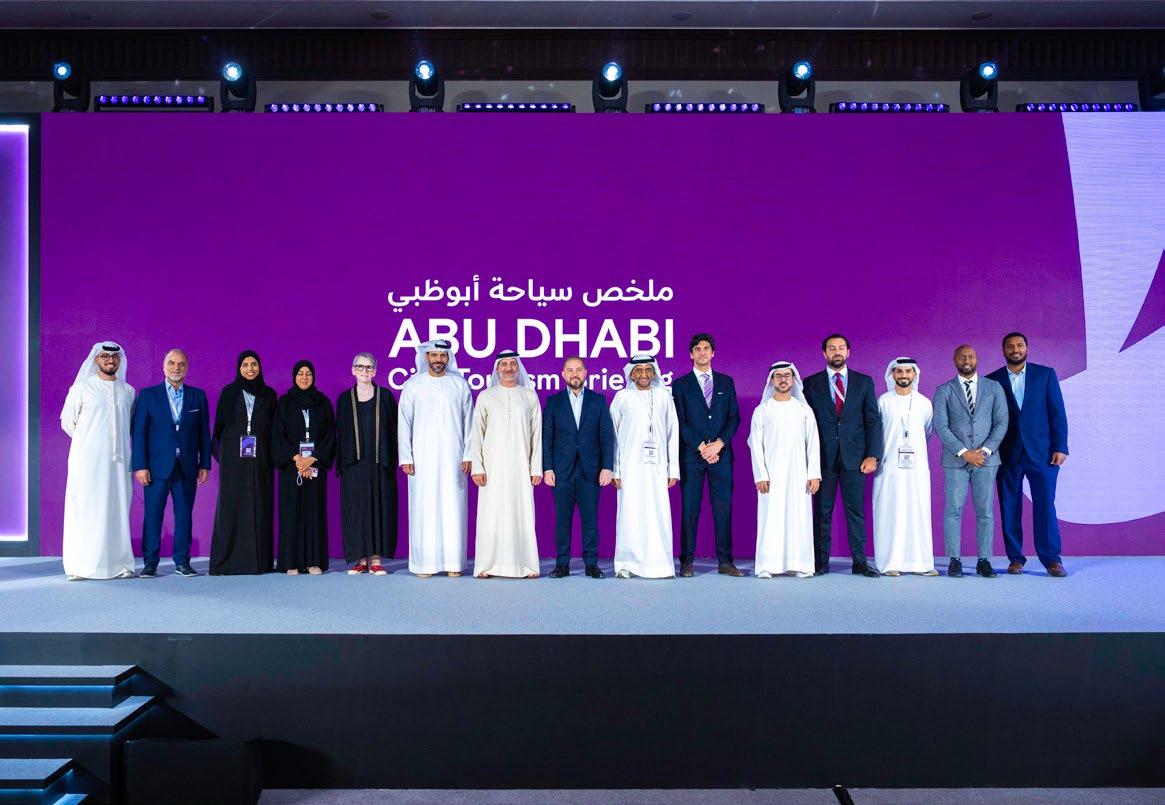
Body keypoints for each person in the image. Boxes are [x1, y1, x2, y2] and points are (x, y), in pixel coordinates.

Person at [987, 332, 1070, 577]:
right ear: (1003, 350)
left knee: (1045, 505)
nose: (1015, 349)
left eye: (1020, 345)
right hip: (1006, 454)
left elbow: (1057, 413)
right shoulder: (992, 380)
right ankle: (1015, 559)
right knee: (1009, 506)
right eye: (1010, 346)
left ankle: (1052, 559)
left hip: (1043, 453)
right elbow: (988, 419)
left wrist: (1061, 446)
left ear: (1027, 348)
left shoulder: (1045, 375)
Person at [802, 334, 884, 577]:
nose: (836, 352)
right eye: (831, 348)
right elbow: (805, 423)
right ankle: (820, 563)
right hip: (822, 459)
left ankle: (860, 562)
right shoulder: (810, 383)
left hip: (855, 459)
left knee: (855, 512)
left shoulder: (863, 382)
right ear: (824, 354)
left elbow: (872, 420)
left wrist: (872, 455)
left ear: (848, 352)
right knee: (822, 513)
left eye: (841, 348)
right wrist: (807, 460)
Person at [130, 348, 212, 578]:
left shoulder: (198, 396)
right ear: (164, 366)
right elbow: (139, 433)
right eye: (172, 363)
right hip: (156, 468)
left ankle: (182, 562)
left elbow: (204, 434)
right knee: (153, 515)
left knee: (184, 516)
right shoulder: (148, 395)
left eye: (181, 364)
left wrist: (205, 464)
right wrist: (140, 465)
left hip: (187, 466)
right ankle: (150, 563)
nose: (176, 368)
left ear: (187, 368)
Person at [60, 342, 136, 581]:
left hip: (120, 463)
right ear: (96, 360)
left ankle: (120, 564)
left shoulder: (128, 391)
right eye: (105, 356)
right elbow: (67, 422)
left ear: (120, 361)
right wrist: (90, 445)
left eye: (115, 357)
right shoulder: (82, 388)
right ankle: (79, 566)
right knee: (85, 509)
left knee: (117, 509)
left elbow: (128, 425)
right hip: (87, 463)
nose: (110, 361)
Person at [398, 339, 473, 578]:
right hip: (422, 458)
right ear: (426, 357)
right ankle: (424, 564)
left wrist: (469, 454)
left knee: (453, 507)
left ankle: (453, 563)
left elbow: (469, 422)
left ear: (448, 358)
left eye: (442, 355)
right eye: (434, 355)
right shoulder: (413, 385)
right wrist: (406, 457)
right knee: (424, 508)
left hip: (454, 457)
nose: (438, 360)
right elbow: (404, 423)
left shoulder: (460, 384)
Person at [933, 345, 1009, 579]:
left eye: (971, 356)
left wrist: (984, 451)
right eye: (962, 356)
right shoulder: (944, 390)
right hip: (955, 460)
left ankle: (984, 561)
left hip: (986, 461)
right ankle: (954, 560)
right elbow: (941, 426)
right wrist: (964, 452)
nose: (967, 359)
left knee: (985, 511)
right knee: (953, 510)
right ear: (955, 360)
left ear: (977, 359)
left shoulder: (994, 388)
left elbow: (1001, 422)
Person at [671, 333, 743, 577]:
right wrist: (702, 446)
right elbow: (679, 421)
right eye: (698, 349)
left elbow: (734, 418)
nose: (702, 352)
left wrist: (719, 444)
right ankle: (687, 562)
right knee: (690, 510)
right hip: (692, 457)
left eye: (706, 349)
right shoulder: (680, 385)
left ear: (713, 353)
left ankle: (725, 562)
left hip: (721, 457)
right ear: (691, 354)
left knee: (723, 510)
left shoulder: (726, 382)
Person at [471, 350, 543, 579]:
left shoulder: (529, 396)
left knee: (522, 512)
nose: (509, 368)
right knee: (491, 513)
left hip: (521, 467)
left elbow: (536, 435)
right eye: (504, 364)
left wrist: (536, 468)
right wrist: (478, 467)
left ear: (518, 368)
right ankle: (486, 565)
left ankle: (526, 565)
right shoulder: (486, 396)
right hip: (492, 468)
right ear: (497, 369)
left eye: (513, 364)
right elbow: (477, 435)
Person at [542, 356, 615, 579]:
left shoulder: (598, 400)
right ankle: (562, 564)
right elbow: (547, 438)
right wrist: (548, 468)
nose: (575, 374)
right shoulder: (553, 402)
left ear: (585, 373)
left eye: (579, 369)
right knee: (562, 521)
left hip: (591, 471)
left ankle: (591, 564)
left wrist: (607, 467)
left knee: (590, 521)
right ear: (563, 374)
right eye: (570, 370)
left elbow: (606, 437)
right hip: (561, 472)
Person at [747, 362, 820, 579]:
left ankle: (800, 565)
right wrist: (761, 475)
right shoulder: (762, 411)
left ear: (793, 379)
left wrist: (813, 474)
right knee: (771, 518)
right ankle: (767, 566)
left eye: (787, 375)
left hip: (799, 476)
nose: (783, 379)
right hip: (771, 477)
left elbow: (813, 443)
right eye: (778, 376)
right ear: (771, 380)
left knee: (799, 518)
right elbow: (755, 445)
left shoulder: (804, 410)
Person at [611, 355, 680, 579]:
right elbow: (612, 436)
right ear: (631, 374)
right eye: (638, 370)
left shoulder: (664, 396)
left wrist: (673, 469)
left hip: (657, 466)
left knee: (657, 513)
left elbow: (673, 433)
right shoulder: (622, 397)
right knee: (630, 513)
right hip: (629, 467)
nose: (643, 374)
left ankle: (661, 565)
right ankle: (627, 564)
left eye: (648, 370)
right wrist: (615, 469)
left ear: (654, 373)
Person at [209, 350, 276, 575]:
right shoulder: (229, 392)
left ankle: (258, 562)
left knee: (259, 507)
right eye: (245, 365)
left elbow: (273, 429)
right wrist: (225, 458)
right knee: (231, 508)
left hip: (260, 461)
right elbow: (219, 428)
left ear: (260, 367)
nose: (250, 369)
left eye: (254, 364)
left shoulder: (269, 394)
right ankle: (226, 562)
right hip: (234, 461)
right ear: (239, 368)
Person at [872, 357, 937, 576]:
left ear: (915, 374)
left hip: (917, 469)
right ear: (892, 375)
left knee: (917, 512)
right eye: (899, 371)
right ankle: (890, 563)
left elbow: (927, 431)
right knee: (890, 512)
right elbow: (876, 433)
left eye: (908, 371)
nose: (903, 375)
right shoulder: (883, 401)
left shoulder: (924, 403)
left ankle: (921, 564)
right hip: (888, 468)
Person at [335, 352, 399, 576]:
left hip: (380, 462)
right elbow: (340, 433)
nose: (364, 371)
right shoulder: (344, 399)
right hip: (354, 464)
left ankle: (376, 559)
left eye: (369, 367)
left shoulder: (386, 397)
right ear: (353, 370)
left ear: (375, 371)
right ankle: (360, 560)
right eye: (360, 367)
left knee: (380, 508)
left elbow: (394, 430)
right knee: (356, 509)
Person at [272, 360, 335, 575]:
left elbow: (330, 434)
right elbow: (277, 434)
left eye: (308, 373)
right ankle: (291, 562)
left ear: (313, 377)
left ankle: (313, 561)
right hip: (292, 467)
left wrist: (313, 458)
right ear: (294, 376)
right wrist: (298, 458)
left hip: (315, 466)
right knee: (291, 512)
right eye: (300, 373)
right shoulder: (284, 403)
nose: (305, 377)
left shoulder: (323, 403)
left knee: (314, 512)